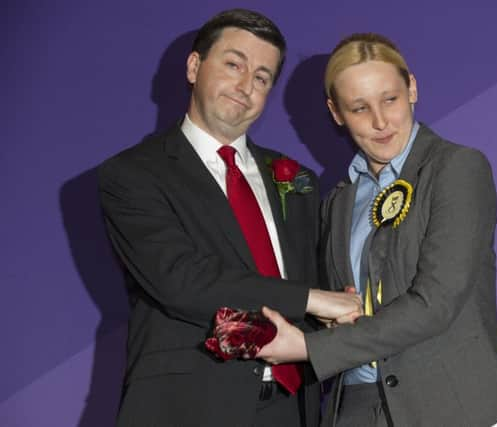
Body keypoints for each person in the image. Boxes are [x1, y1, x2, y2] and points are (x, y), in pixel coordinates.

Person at [98, 9, 361, 427]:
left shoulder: (298, 180)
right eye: (234, 64)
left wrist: (335, 309)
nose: (245, 86)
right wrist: (315, 299)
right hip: (188, 406)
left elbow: (314, 281)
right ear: (194, 66)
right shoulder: (132, 175)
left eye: (261, 77)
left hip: (293, 406)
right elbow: (182, 282)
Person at [258, 33, 497, 427]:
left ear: (412, 88)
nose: (380, 122)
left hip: (453, 404)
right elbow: (344, 301)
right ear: (336, 113)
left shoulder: (457, 168)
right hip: (358, 404)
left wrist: (310, 347)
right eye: (359, 108)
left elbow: (436, 303)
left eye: (390, 99)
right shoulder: (339, 200)